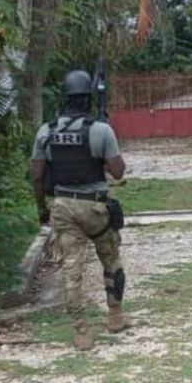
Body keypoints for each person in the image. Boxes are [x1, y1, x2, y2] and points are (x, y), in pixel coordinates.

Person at [31, 70, 130, 352]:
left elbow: (37, 176)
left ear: (65, 97)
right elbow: (118, 171)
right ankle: (115, 316)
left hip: (63, 207)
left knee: (71, 269)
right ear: (89, 98)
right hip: (95, 207)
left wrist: (42, 209)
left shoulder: (46, 131)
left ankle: (81, 331)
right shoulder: (100, 130)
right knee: (111, 260)